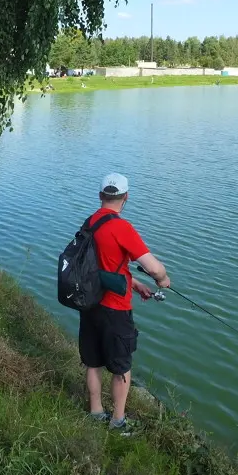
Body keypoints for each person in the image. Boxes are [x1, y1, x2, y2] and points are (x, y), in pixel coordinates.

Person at [80, 172, 170, 432]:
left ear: (100, 196)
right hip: (115, 309)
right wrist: (163, 279)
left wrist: (134, 283)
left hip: (90, 304)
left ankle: (95, 412)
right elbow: (154, 267)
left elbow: (99, 265)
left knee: (93, 362)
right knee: (121, 367)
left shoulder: (90, 222)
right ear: (126, 197)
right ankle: (117, 421)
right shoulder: (122, 227)